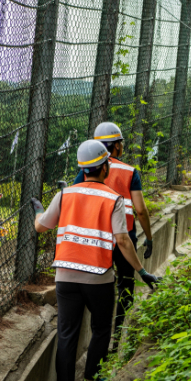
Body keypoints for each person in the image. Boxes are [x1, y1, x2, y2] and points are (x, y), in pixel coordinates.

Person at [31, 140, 161, 381]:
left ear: (83, 169)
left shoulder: (65, 194)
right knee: (101, 330)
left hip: (65, 277)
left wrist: (38, 210)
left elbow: (40, 226)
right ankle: (92, 378)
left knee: (66, 334)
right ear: (104, 168)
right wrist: (142, 272)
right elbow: (122, 241)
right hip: (98, 279)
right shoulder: (114, 199)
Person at [73, 122, 154, 345]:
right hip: (124, 237)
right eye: (120, 143)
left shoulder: (85, 171)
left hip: (97, 237)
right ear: (116, 145)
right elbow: (141, 210)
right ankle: (116, 336)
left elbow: (75, 197)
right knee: (125, 285)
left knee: (100, 286)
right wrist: (148, 237)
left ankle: (98, 336)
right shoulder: (130, 172)